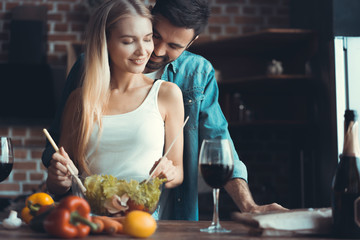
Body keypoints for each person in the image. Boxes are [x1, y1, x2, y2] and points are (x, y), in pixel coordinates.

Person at [43, 0, 286, 220]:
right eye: (155, 36)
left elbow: (218, 138)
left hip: (162, 214)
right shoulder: (87, 67)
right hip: (89, 217)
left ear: (191, 43)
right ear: (150, 16)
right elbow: (57, 149)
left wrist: (249, 205)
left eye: (173, 45)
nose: (156, 51)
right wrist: (60, 176)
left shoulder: (195, 74)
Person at [45, 0, 184, 211]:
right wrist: (58, 178)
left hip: (141, 222)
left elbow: (178, 172)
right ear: (105, 43)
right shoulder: (79, 100)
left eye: (147, 39)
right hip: (89, 222)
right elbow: (58, 185)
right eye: (128, 41)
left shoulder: (167, 94)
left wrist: (169, 173)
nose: (142, 51)